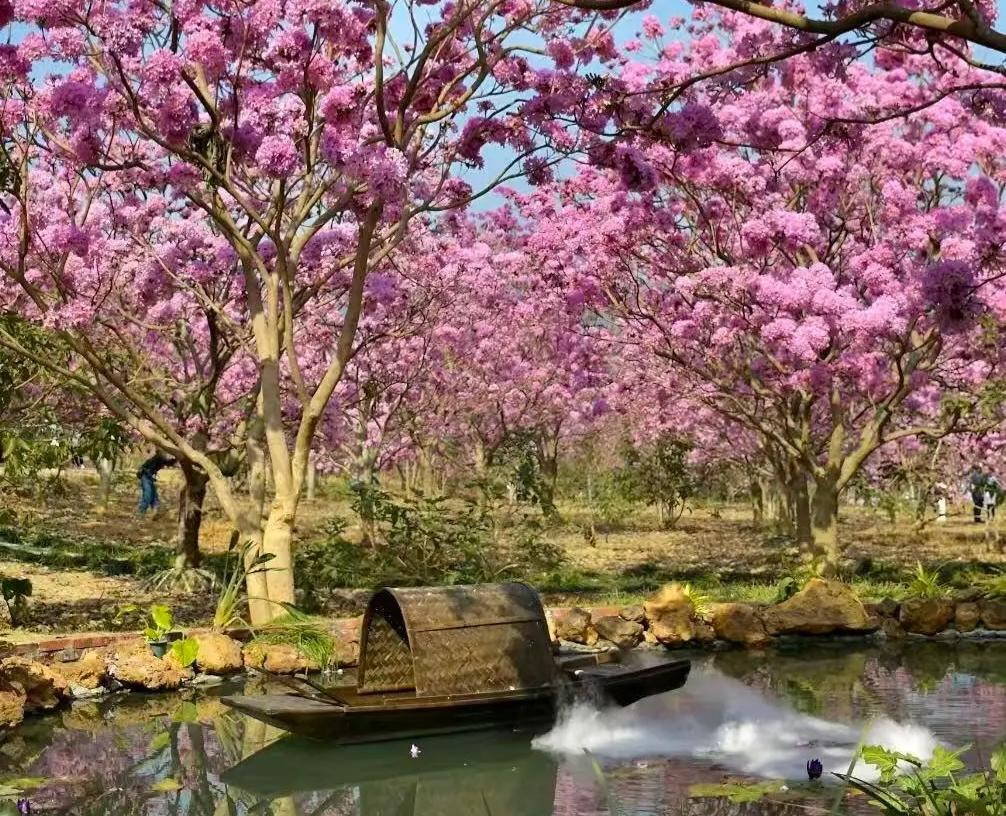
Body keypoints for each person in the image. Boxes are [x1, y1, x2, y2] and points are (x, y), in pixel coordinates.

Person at [137, 451, 176, 516]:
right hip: (145, 476)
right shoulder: (159, 456)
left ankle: (155, 511)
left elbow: (169, 463)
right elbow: (168, 462)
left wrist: (177, 458)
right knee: (148, 494)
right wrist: (176, 458)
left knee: (153, 495)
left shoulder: (160, 457)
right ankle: (141, 512)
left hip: (149, 477)